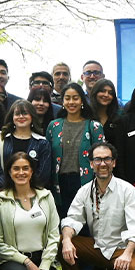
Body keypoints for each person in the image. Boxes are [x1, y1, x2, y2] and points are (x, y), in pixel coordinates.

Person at [60, 142, 135, 270]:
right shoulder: (84, 191)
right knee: (61, 241)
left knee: (133, 269)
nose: (102, 164)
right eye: (98, 160)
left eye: (107, 159)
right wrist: (66, 239)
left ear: (114, 163)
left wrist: (127, 254)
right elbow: (73, 219)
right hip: (97, 246)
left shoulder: (127, 190)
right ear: (92, 164)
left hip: (120, 248)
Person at [0, 152, 69, 270]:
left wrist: (45, 266)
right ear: (9, 172)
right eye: (16, 169)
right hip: (13, 260)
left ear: (32, 171)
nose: (21, 173)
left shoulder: (46, 196)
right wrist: (27, 262)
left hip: (42, 259)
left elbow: (54, 235)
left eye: (26, 168)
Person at [48, 83, 106, 217]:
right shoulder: (54, 126)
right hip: (59, 183)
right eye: (67, 98)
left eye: (75, 98)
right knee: (63, 221)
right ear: (62, 101)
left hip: (86, 182)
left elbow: (102, 157)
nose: (71, 102)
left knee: (85, 224)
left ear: (82, 101)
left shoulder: (94, 126)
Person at [0, 100, 53, 191]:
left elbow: (43, 174)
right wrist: (10, 187)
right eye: (17, 114)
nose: (21, 117)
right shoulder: (0, 138)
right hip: (5, 192)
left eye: (25, 113)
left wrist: (25, 189)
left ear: (32, 116)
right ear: (12, 117)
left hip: (33, 194)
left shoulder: (42, 143)